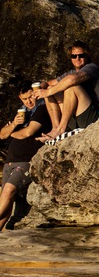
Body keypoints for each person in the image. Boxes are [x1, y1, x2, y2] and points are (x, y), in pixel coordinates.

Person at [39, 42, 99, 139]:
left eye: (81, 55)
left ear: (87, 56)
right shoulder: (71, 73)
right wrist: (41, 87)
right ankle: (55, 128)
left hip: (98, 117)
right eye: (74, 56)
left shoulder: (92, 68)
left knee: (71, 87)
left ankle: (61, 129)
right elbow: (49, 84)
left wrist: (48, 92)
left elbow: (71, 80)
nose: (77, 58)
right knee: (50, 89)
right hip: (80, 117)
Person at [0, 83, 49, 230]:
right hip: (10, 162)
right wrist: (14, 124)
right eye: (24, 99)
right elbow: (2, 135)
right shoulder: (21, 113)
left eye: (30, 97)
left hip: (26, 161)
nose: (28, 102)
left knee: (9, 191)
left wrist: (12, 133)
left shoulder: (42, 109)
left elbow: (28, 132)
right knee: (7, 200)